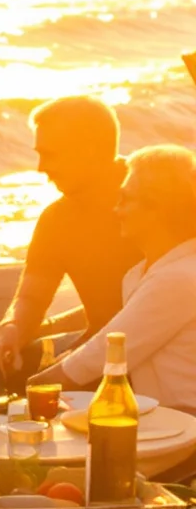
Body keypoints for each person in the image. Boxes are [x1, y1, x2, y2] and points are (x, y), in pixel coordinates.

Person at [0, 96, 136, 389]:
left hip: (161, 353)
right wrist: (12, 330)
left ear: (89, 151)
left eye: (50, 154)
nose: (41, 168)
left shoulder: (155, 198)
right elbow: (31, 297)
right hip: (95, 346)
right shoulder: (57, 218)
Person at [49, 145, 196, 411]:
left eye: (125, 199)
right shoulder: (142, 273)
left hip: (187, 430)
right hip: (164, 421)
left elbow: (102, 354)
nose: (116, 210)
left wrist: (29, 389)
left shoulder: (178, 278)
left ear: (157, 207)